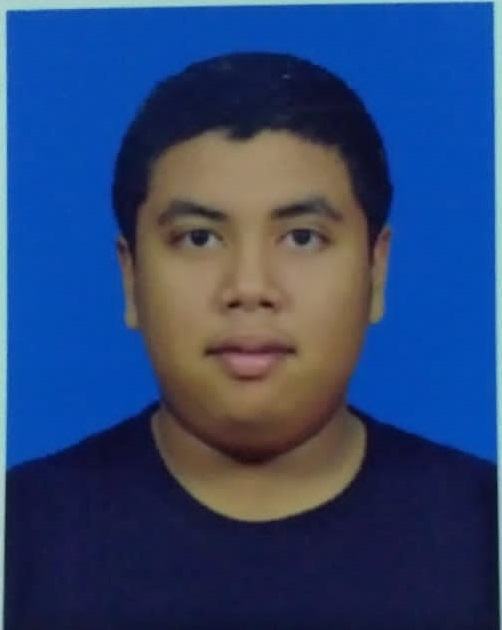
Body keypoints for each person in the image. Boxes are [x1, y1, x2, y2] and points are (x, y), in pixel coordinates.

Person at [4, 51, 498, 630]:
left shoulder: (483, 529)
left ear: (377, 270)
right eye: (198, 239)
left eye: (303, 238)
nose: (249, 288)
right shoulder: (22, 534)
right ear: (131, 277)